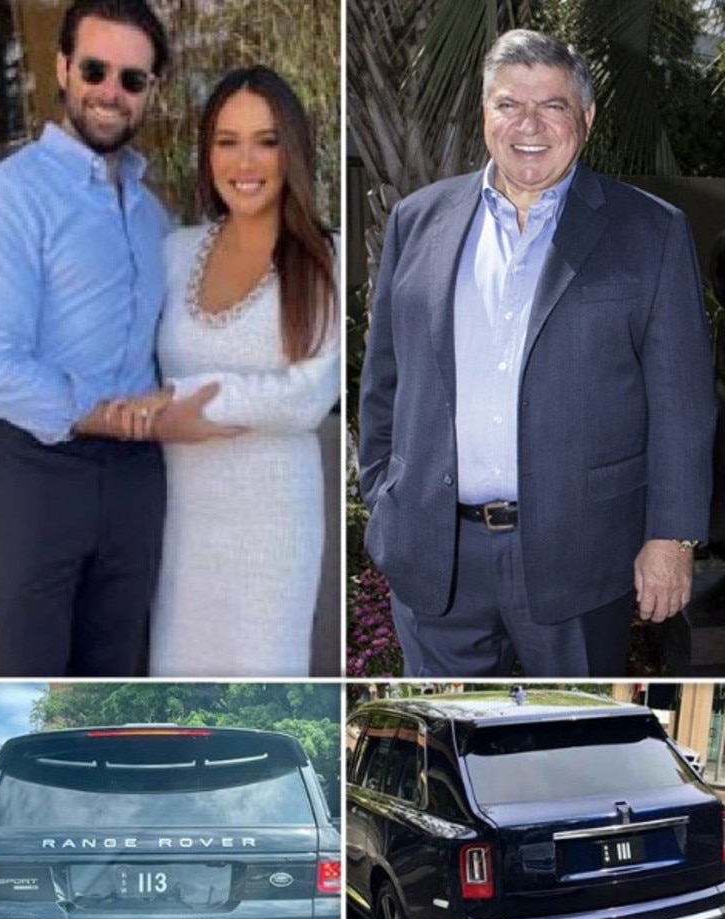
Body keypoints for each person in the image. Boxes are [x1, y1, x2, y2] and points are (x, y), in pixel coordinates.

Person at [358, 29, 716, 678]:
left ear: (586, 116)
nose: (528, 124)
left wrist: (671, 537)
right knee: (451, 727)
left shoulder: (651, 232)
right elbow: (384, 377)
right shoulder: (418, 221)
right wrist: (385, 494)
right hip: (437, 557)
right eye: (507, 104)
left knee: (566, 727)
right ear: (484, 113)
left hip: (580, 556)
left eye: (551, 105)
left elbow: (681, 403)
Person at [0, 0, 170, 676]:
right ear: (62, 66)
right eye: (96, 69)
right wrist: (108, 414)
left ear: (152, 91)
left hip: (137, 482)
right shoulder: (6, 196)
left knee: (115, 692)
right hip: (34, 478)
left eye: (132, 79)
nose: (111, 92)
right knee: (25, 696)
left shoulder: (153, 216)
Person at [112, 66, 339, 676]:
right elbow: (126, 364)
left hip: (272, 527)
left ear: (292, 150)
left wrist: (185, 403)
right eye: (226, 140)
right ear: (206, 151)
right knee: (176, 684)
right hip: (181, 521)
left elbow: (308, 395)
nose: (246, 161)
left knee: (262, 688)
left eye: (265, 140)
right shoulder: (174, 250)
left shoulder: (325, 257)